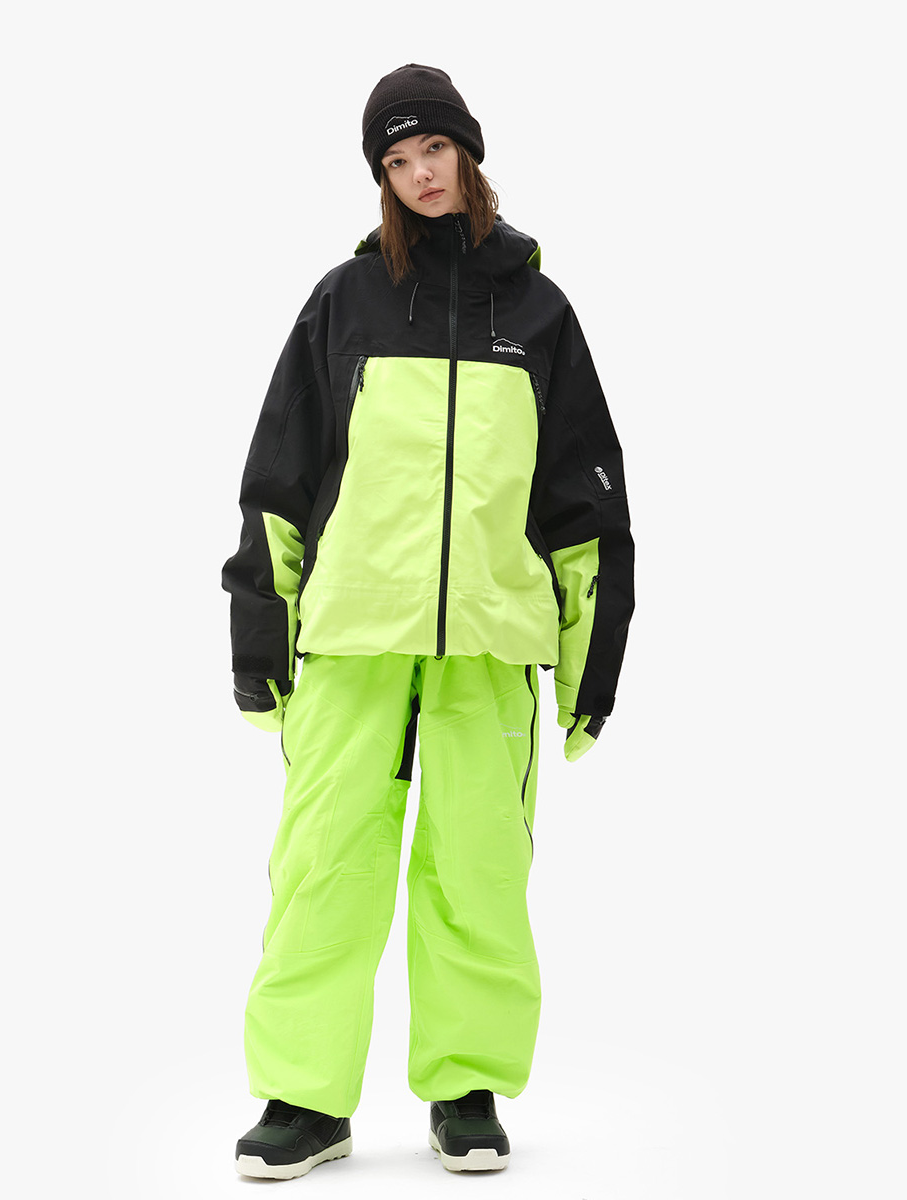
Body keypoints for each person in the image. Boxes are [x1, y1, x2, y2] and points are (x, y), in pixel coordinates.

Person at [221, 63, 635, 1180]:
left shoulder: (540, 314)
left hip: (490, 649)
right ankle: (306, 1100)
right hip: (353, 642)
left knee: (478, 875)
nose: (420, 176)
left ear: (468, 152)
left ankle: (465, 1088)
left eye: (434, 151)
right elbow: (279, 480)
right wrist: (260, 636)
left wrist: (590, 669)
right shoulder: (345, 303)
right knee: (325, 869)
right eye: (398, 161)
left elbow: (587, 509)